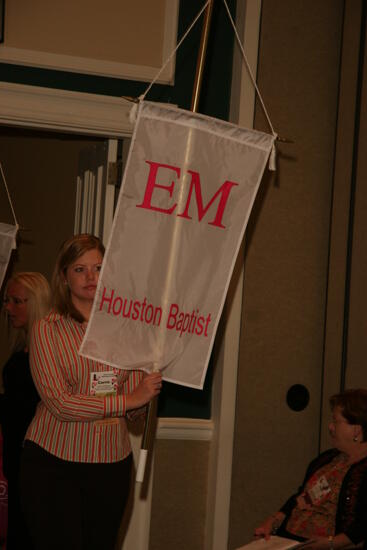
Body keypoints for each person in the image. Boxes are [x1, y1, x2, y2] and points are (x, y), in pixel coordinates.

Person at [20, 233, 162, 550]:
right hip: (53, 463)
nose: (91, 277)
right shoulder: (47, 328)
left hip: (111, 463)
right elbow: (60, 404)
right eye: (80, 269)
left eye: (98, 268)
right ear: (64, 276)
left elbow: (136, 412)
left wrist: (147, 392)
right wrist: (128, 399)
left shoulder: (128, 330)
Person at [255, 389, 367, 549]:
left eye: (336, 421)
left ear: (356, 429)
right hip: (287, 541)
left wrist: (331, 543)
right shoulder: (327, 459)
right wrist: (274, 520)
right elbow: (303, 496)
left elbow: (362, 525)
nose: (330, 427)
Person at [0, 271, 51, 550]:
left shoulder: (48, 354)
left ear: (36, 304)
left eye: (16, 301)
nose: (7, 308)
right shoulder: (23, 349)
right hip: (16, 458)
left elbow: (34, 406)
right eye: (7, 300)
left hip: (35, 461)